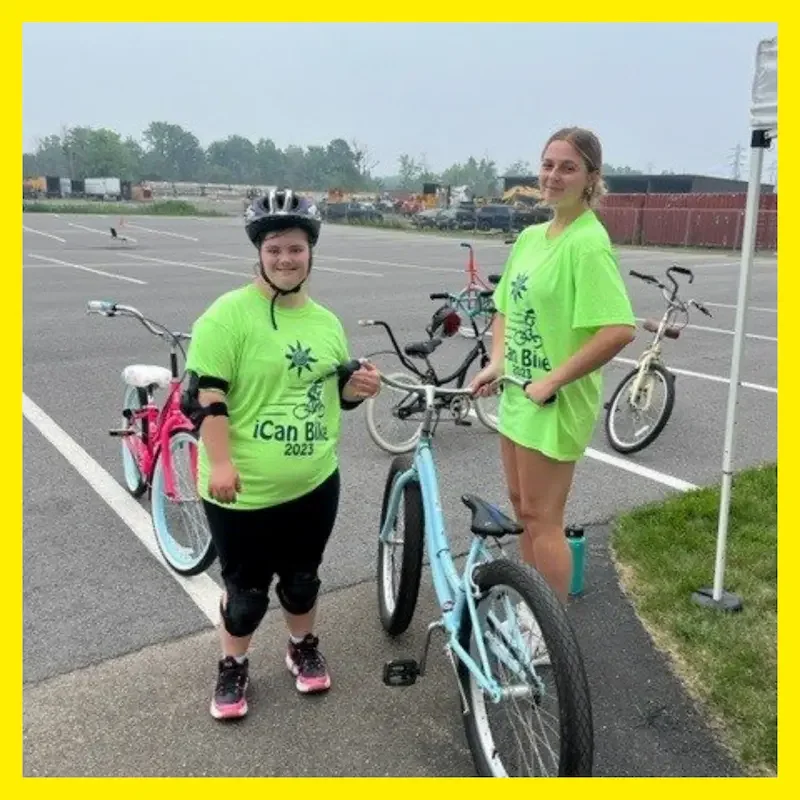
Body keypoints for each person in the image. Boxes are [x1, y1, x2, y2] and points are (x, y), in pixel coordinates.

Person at [183, 189, 381, 720]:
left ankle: (301, 646)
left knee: (302, 580)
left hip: (315, 482)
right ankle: (233, 665)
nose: (285, 259)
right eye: (274, 249)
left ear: (311, 251)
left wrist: (356, 390)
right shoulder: (226, 317)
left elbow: (330, 393)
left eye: (295, 248)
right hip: (242, 489)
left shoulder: (326, 323)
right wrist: (220, 463)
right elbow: (206, 399)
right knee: (246, 594)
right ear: (259, 253)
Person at [470, 127, 636, 657]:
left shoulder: (587, 243)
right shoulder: (530, 238)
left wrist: (553, 379)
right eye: (547, 164)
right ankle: (529, 608)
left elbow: (618, 329)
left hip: (554, 399)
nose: (553, 176)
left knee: (545, 519)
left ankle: (549, 633)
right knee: (523, 510)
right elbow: (502, 309)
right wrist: (497, 361)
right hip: (519, 393)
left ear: (591, 177)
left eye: (567, 167)